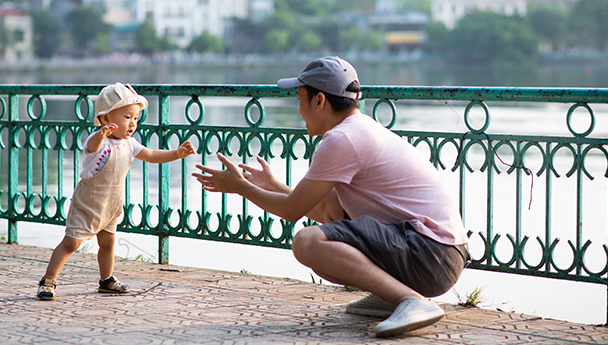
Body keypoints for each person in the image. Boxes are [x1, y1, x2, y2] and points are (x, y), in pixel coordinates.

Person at [192, 56, 469, 337]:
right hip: (439, 254)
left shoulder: (341, 139)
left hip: (429, 254)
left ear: (319, 101)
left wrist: (241, 186)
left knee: (307, 241)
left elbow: (291, 212)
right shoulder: (357, 129)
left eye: (300, 99)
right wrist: (272, 185)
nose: (299, 110)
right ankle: (395, 295)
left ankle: (410, 300)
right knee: (334, 208)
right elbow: (322, 208)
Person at [37, 83, 196, 300]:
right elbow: (91, 146)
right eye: (126, 117)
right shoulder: (99, 142)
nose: (132, 123)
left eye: (135, 118)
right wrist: (100, 134)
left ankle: (106, 279)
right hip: (88, 203)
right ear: (104, 118)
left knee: (108, 242)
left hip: (112, 204)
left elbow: (151, 155)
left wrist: (176, 153)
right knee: (72, 242)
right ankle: (48, 280)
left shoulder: (130, 144)